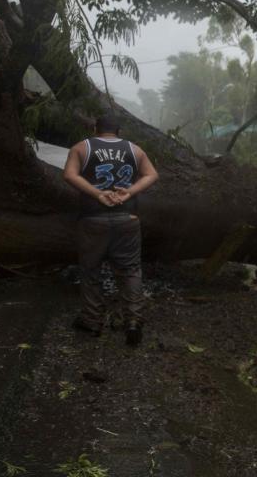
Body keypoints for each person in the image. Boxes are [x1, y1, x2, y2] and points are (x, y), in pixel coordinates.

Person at [62, 113, 159, 346]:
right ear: (119, 132)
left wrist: (97, 193)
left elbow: (69, 175)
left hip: (93, 219)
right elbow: (152, 174)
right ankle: (133, 321)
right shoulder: (135, 150)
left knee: (91, 270)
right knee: (131, 270)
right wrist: (130, 192)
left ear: (95, 128)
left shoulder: (81, 147)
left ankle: (92, 321)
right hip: (127, 217)